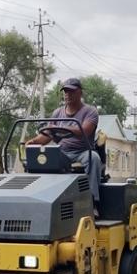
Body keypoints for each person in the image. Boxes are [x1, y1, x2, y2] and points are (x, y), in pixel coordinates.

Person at [24, 78, 102, 209]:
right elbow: (47, 135)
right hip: (62, 152)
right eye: (66, 91)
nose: (68, 94)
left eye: (71, 91)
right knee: (42, 159)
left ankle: (92, 202)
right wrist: (34, 141)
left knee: (94, 158)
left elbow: (84, 131)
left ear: (80, 93)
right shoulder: (57, 112)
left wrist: (62, 128)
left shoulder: (90, 111)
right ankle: (43, 201)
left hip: (83, 151)